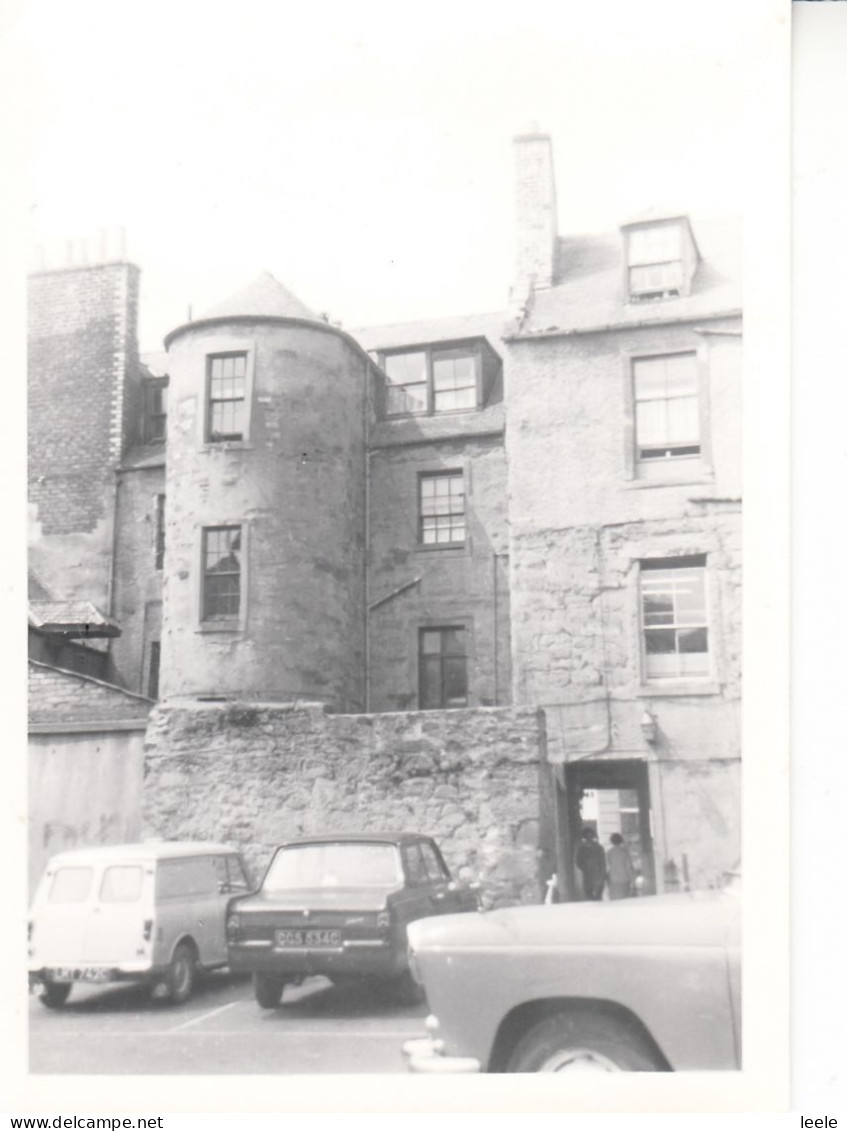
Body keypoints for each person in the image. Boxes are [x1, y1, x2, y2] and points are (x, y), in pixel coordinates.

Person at [574, 827, 606, 900]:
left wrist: (585, 867)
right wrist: (585, 867)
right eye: (588, 836)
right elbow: (578, 862)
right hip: (590, 875)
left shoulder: (597, 848)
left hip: (594, 875)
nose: (589, 838)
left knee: (593, 896)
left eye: (590, 836)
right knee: (591, 895)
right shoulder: (583, 848)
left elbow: (603, 862)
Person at [606, 832, 636, 899]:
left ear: (611, 841)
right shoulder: (624, 852)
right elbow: (629, 867)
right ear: (621, 841)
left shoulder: (609, 852)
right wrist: (633, 881)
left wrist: (607, 880)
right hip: (624, 879)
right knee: (625, 900)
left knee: (615, 902)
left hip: (613, 880)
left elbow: (607, 867)